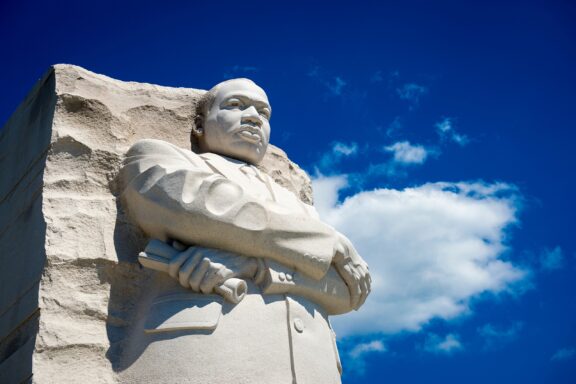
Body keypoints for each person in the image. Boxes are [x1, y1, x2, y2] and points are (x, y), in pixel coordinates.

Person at [117, 78, 370, 384]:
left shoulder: (301, 208)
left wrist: (254, 266)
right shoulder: (159, 157)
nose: (253, 117)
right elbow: (195, 207)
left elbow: (348, 291)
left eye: (263, 113)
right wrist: (331, 242)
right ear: (199, 125)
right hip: (209, 354)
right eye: (236, 105)